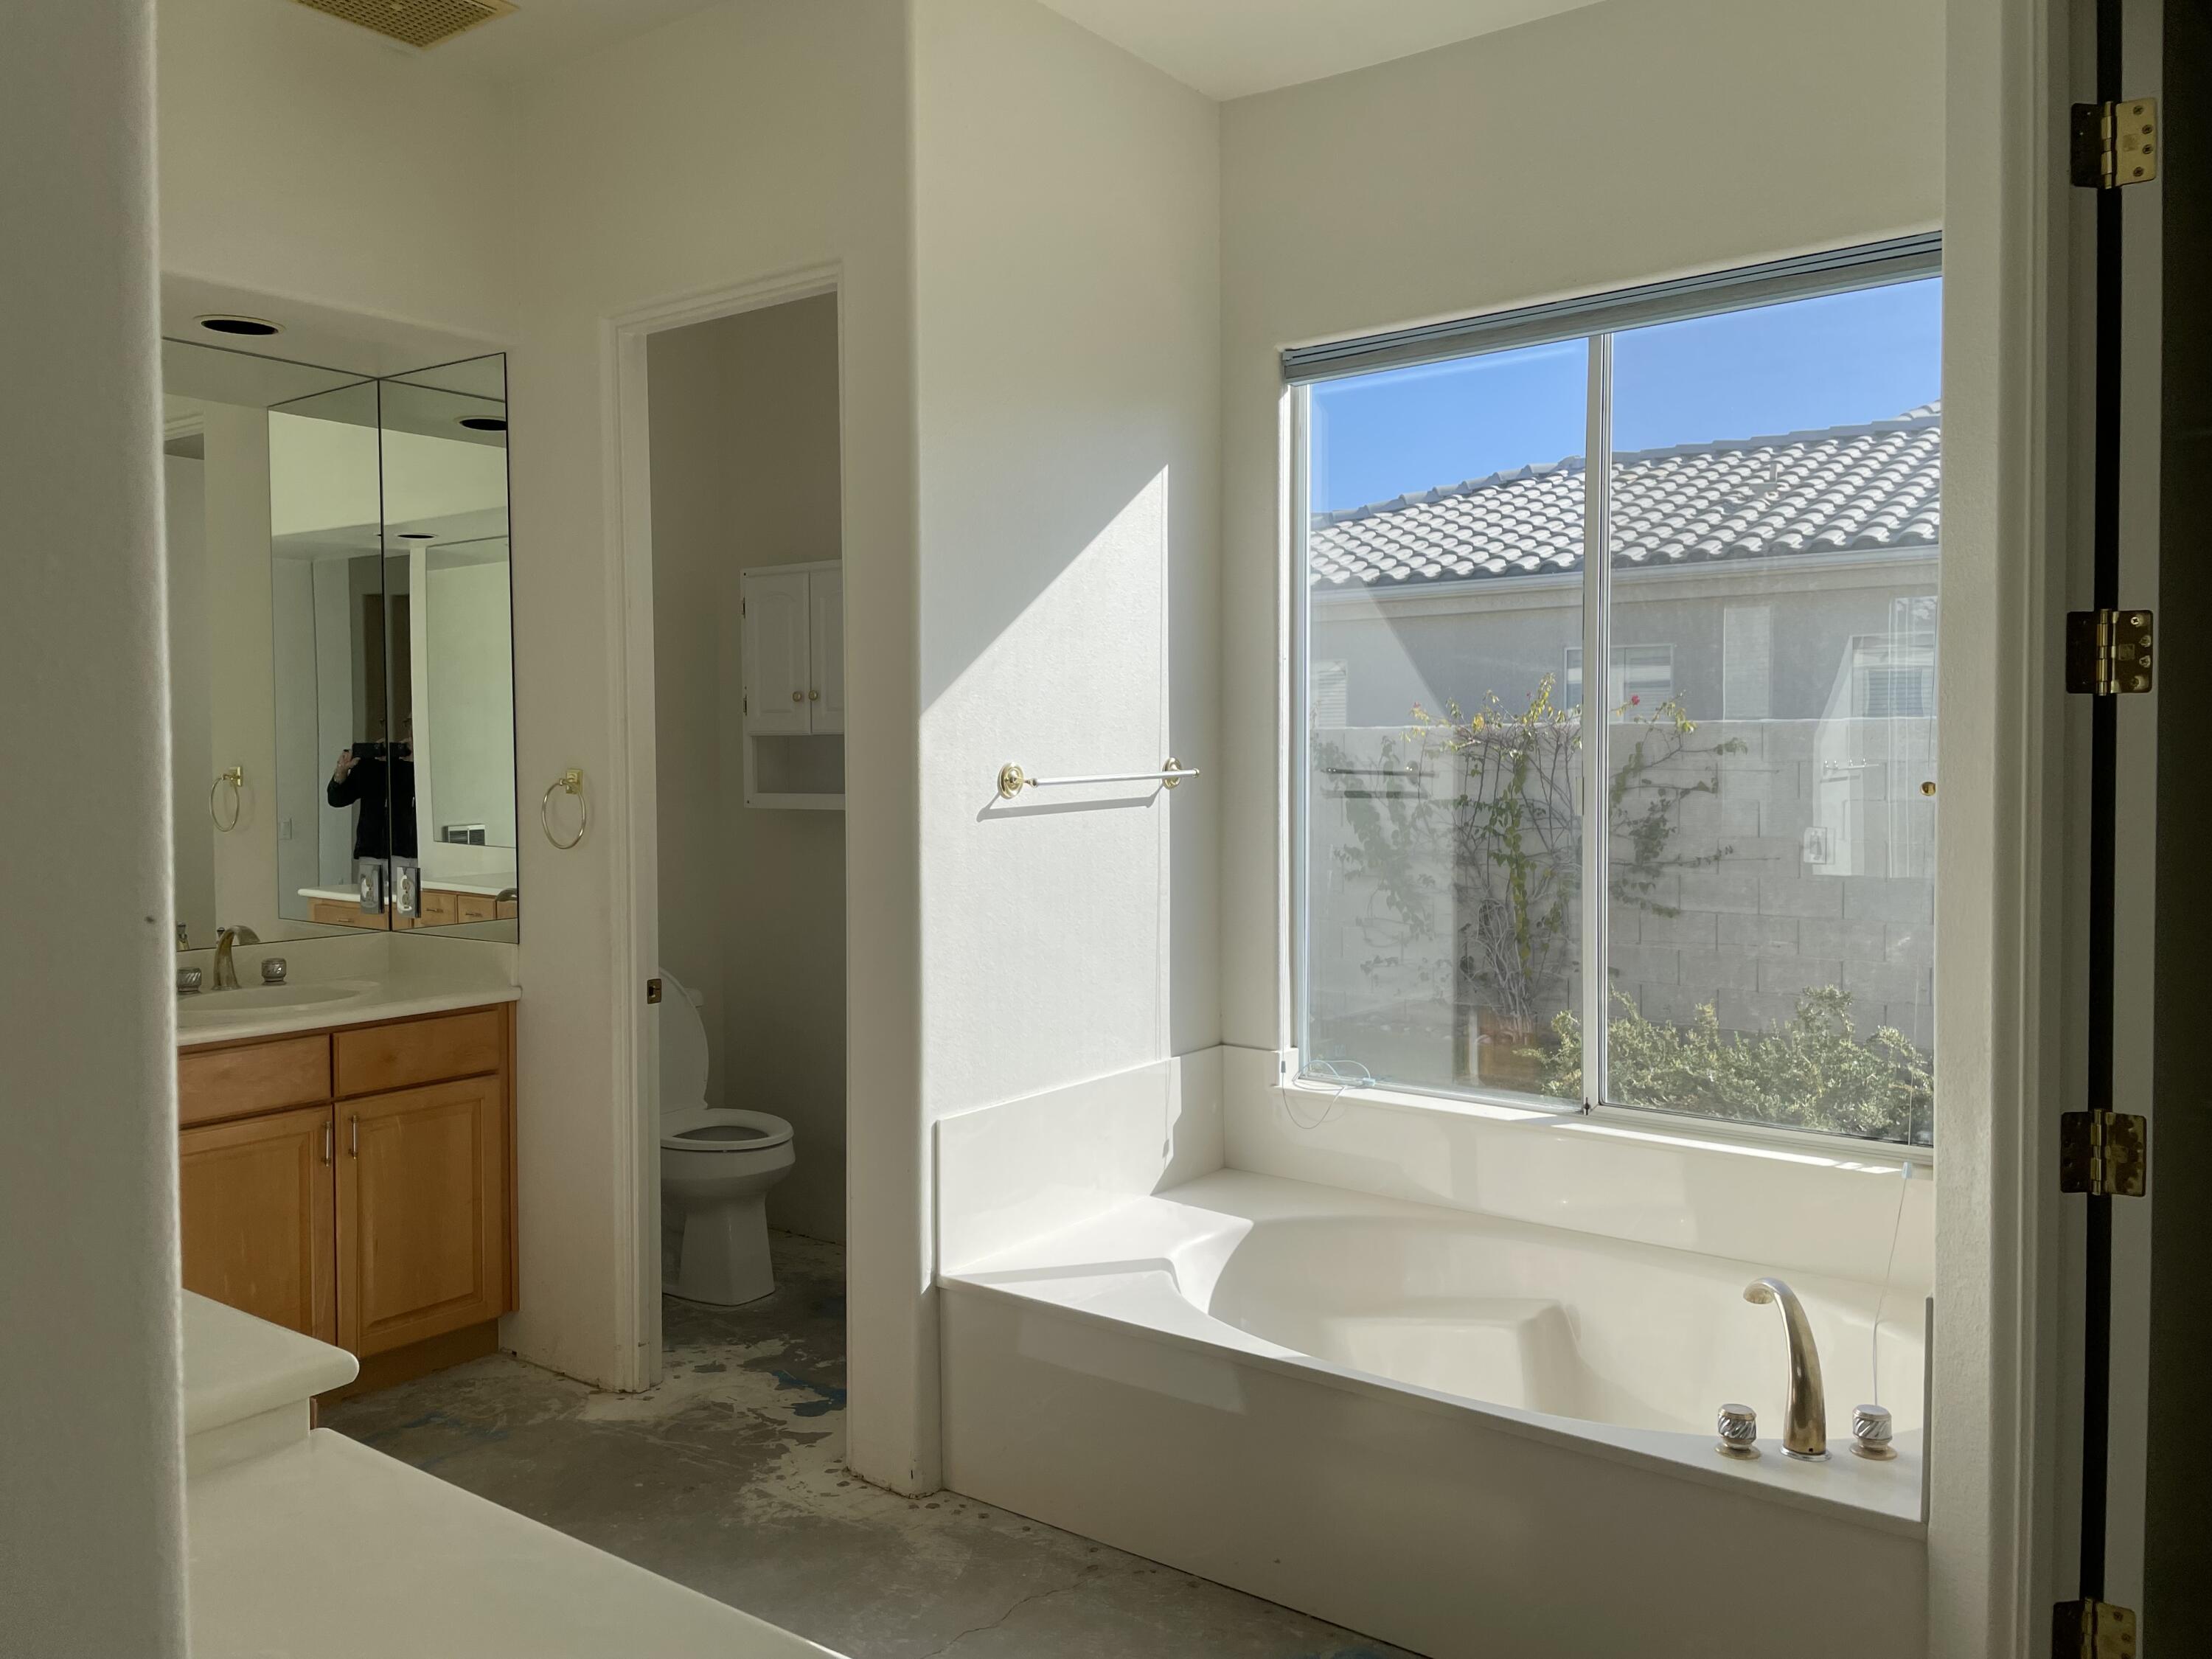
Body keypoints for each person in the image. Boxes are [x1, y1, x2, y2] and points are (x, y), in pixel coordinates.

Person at [327, 733, 417, 860]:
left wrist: (414, 764)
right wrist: (342, 769)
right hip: (370, 851)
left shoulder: (416, 767)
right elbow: (336, 799)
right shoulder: (368, 766)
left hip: (410, 852)